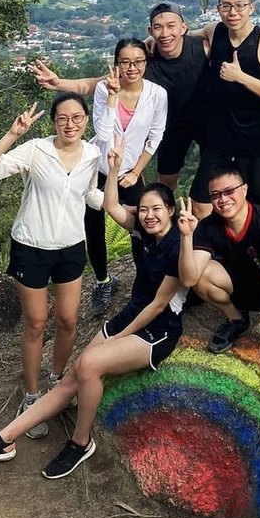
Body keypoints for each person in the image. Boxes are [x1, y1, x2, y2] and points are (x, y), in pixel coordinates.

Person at [0, 147, 187, 478]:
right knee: (70, 378)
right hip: (130, 315)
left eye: (158, 209)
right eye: (145, 209)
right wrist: (114, 167)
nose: (150, 215)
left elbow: (159, 304)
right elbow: (110, 205)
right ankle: (4, 439)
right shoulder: (142, 230)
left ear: (170, 211)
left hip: (158, 330)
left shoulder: (178, 246)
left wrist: (117, 338)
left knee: (88, 364)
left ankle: (81, 443)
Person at [0, 94, 102, 438]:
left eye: (77, 117)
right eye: (62, 118)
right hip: (31, 246)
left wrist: (128, 204)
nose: (70, 124)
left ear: (86, 120)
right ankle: (31, 396)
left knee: (69, 320)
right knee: (36, 322)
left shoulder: (92, 154)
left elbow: (90, 195)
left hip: (72, 248)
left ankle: (56, 382)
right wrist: (13, 134)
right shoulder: (36, 150)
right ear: (54, 122)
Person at [29, 2, 207, 193]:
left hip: (206, 122)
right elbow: (94, 84)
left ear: (184, 27)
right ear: (150, 30)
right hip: (170, 129)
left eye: (171, 26)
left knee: (212, 181)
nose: (165, 33)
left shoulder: (202, 49)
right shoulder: (142, 62)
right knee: (166, 184)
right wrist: (58, 83)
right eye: (158, 28)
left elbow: (219, 31)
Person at [177, 168, 260, 379]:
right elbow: (189, 278)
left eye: (229, 191)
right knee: (201, 277)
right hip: (242, 283)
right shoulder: (209, 226)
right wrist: (186, 237)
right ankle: (237, 320)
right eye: (216, 195)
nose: (223, 199)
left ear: (244, 190)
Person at [189, 0, 260, 220]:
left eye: (239, 6)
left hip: (254, 141)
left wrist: (241, 77)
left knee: (251, 211)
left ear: (251, 7)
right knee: (201, 203)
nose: (232, 12)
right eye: (226, 6)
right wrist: (150, 41)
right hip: (219, 140)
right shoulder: (216, 31)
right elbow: (186, 34)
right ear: (218, 7)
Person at [85, 38, 167, 315]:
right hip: (98, 169)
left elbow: (155, 137)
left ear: (146, 63)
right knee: (93, 225)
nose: (132, 68)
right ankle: (102, 280)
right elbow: (104, 133)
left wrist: (136, 172)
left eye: (138, 62)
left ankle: (145, 282)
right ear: (116, 63)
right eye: (125, 62)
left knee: (139, 228)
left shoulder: (157, 94)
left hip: (131, 172)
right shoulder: (102, 89)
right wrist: (112, 95)